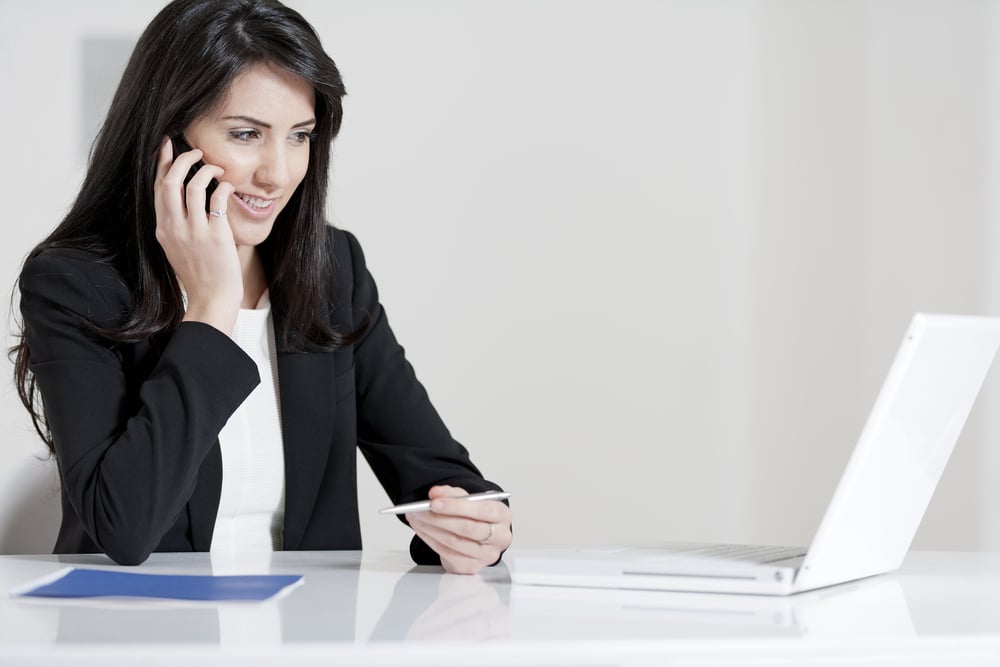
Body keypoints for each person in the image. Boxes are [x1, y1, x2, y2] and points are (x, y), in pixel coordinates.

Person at [11, 0, 511, 574]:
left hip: (302, 632)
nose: (278, 173)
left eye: (300, 136)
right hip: (140, 631)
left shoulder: (332, 267)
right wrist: (212, 308)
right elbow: (124, 528)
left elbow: (441, 477)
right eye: (247, 134)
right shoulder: (75, 281)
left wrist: (472, 527)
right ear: (166, 139)